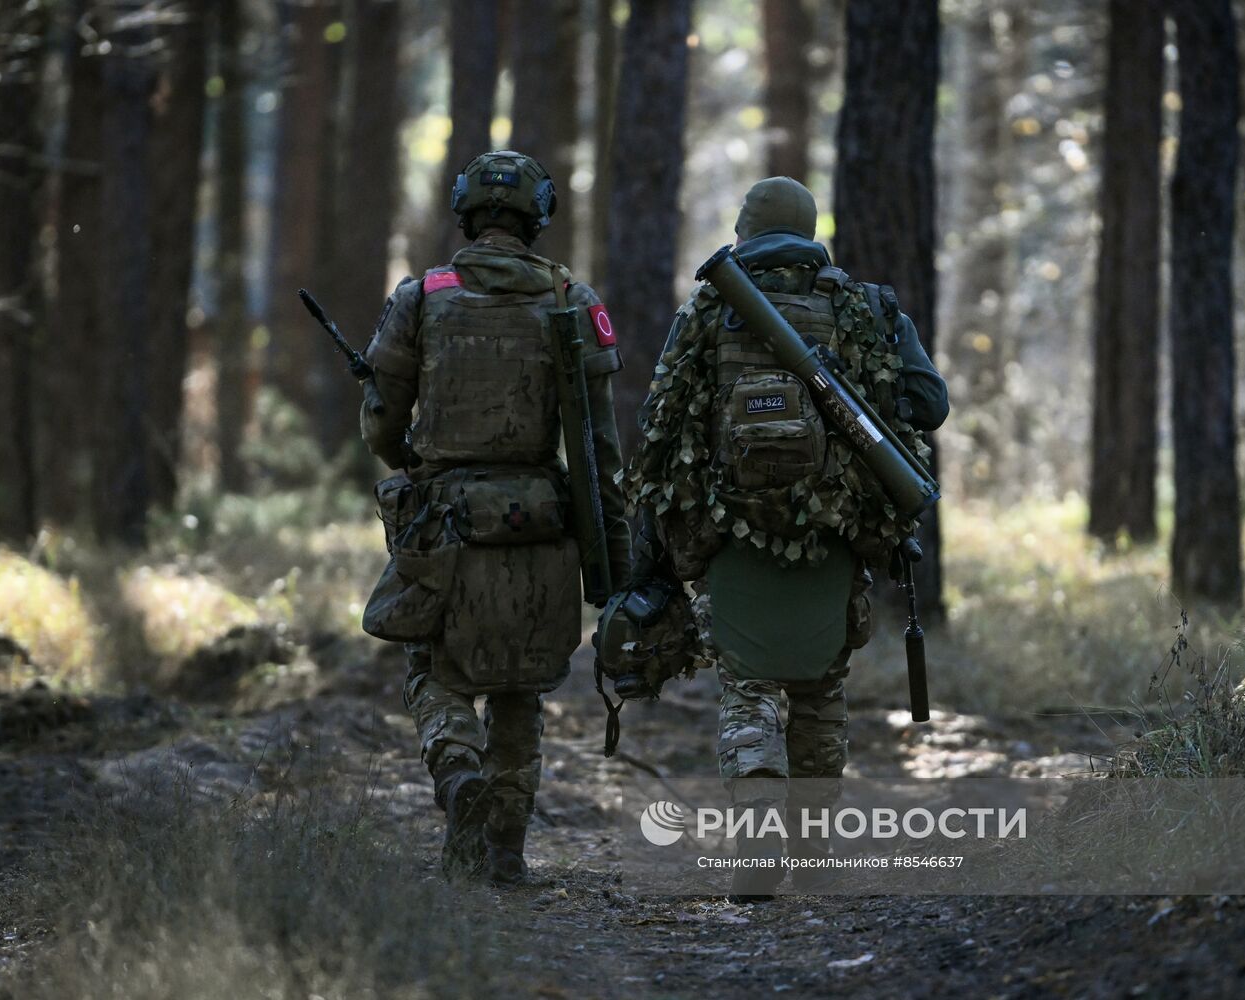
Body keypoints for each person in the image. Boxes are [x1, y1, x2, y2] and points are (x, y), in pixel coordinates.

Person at [621, 176, 948, 897]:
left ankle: (757, 844)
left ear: (745, 230)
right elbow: (930, 402)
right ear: (808, 229)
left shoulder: (713, 305)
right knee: (821, 688)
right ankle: (816, 855)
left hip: (731, 535)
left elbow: (661, 421)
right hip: (836, 532)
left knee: (749, 687)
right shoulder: (866, 306)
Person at [358, 150, 631, 884]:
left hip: (446, 523)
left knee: (437, 668)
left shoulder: (422, 296)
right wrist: (618, 555)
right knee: (519, 690)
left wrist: (413, 466)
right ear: (537, 215)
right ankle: (503, 853)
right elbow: (600, 447)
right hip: (542, 525)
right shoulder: (572, 297)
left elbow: (382, 420)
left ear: (465, 210)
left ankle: (455, 773)